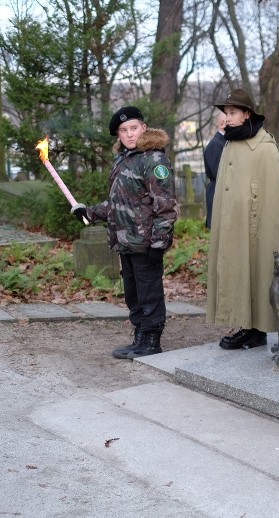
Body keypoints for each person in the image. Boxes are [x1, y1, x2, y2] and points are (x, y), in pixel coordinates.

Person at [72, 106, 177, 359]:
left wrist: (158, 244)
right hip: (125, 240)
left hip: (146, 242)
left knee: (149, 292)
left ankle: (152, 340)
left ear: (144, 127)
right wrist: (90, 212)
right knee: (133, 293)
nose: (129, 134)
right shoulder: (123, 159)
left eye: (133, 128)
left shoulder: (154, 160)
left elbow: (165, 206)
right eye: (123, 130)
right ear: (118, 135)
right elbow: (118, 203)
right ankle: (140, 335)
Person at [206, 88, 279, 350]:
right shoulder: (232, 141)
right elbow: (218, 173)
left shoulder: (264, 147)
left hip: (254, 226)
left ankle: (256, 329)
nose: (227, 118)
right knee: (238, 272)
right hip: (232, 222)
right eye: (226, 113)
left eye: (233, 113)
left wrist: (261, 227)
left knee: (255, 270)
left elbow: (272, 198)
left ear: (247, 114)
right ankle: (246, 325)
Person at [203, 112, 227, 229]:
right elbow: (219, 173)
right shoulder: (216, 145)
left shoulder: (224, 142)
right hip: (218, 193)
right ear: (222, 123)